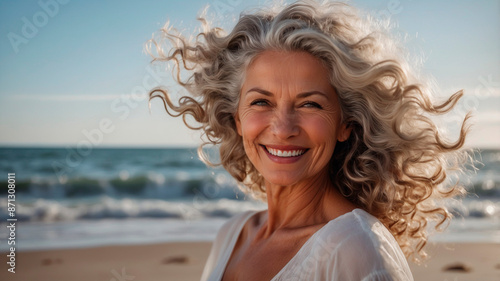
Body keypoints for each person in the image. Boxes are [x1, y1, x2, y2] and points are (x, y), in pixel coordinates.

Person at [147, 1, 470, 280]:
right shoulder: (232, 235)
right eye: (261, 102)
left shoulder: (357, 249)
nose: (283, 127)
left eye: (310, 104)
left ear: (345, 124)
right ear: (238, 119)